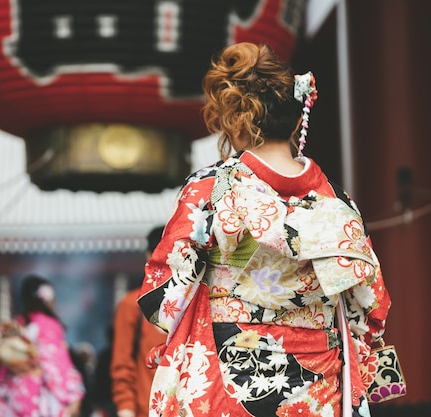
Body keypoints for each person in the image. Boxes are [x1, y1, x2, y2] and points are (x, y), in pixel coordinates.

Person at [137, 42, 392, 417]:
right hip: (319, 387)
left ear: (236, 119)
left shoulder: (210, 190)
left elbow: (165, 298)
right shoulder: (337, 201)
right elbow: (371, 310)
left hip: (227, 381)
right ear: (296, 117)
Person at [0, 275, 84, 417]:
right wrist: (73, 395)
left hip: (14, 394)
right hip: (38, 395)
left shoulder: (17, 323)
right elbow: (55, 365)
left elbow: (4, 367)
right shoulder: (48, 325)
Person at [111, 226, 167, 417]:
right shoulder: (132, 305)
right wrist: (126, 409)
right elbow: (122, 364)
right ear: (149, 256)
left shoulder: (194, 303)